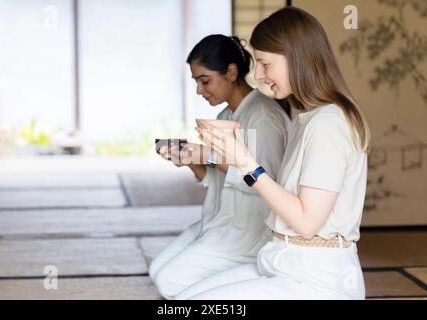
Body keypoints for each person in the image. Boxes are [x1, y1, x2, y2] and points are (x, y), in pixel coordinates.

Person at [179, 7, 371, 300]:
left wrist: (245, 163)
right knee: (185, 298)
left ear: (296, 58)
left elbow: (307, 223)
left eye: (265, 64)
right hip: (284, 262)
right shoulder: (308, 117)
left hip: (317, 279)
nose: (257, 75)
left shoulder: (328, 124)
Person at [149, 34, 291, 299]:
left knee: (169, 283)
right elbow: (215, 180)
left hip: (249, 232)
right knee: (157, 271)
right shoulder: (224, 116)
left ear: (231, 72)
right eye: (196, 82)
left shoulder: (263, 116)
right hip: (220, 223)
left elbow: (267, 180)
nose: (199, 90)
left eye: (205, 80)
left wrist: (208, 154)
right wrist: (191, 159)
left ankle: (255, 274)